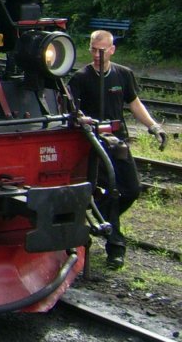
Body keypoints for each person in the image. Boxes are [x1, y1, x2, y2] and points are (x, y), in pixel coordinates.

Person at [69, 29, 168, 270]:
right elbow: (71, 111)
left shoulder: (123, 74)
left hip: (118, 141)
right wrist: (80, 120)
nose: (97, 55)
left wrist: (154, 127)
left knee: (131, 190)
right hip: (93, 144)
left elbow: (134, 103)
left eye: (102, 50)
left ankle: (98, 222)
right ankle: (116, 247)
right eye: (93, 49)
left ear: (112, 50)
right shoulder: (80, 78)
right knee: (110, 192)